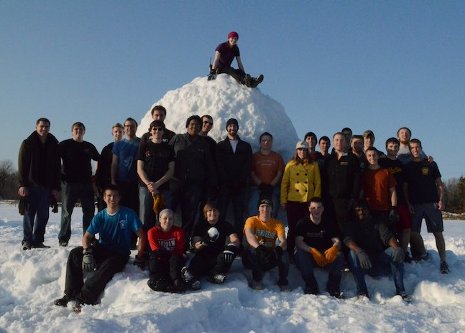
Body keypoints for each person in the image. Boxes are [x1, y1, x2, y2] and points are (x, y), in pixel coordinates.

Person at [53, 185, 146, 312]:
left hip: (119, 254)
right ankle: (70, 294)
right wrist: (87, 252)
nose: (112, 198)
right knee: (75, 254)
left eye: (115, 196)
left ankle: (84, 299)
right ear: (104, 198)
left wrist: (140, 256)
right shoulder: (100, 216)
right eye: (109, 196)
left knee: (108, 266)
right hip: (102, 249)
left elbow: (142, 235)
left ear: (119, 198)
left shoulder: (128, 214)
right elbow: (86, 237)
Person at [344, 200, 410, 301]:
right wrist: (359, 251)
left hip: (379, 260)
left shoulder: (377, 223)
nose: (361, 212)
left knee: (395, 251)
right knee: (352, 253)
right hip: (363, 264)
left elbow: (388, 237)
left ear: (368, 210)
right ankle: (362, 291)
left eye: (363, 210)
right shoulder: (351, 225)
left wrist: (397, 247)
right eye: (358, 210)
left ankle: (401, 291)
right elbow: (347, 240)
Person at [403, 139, 449, 273]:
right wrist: (408, 203)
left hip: (431, 204)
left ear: (421, 148)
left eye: (417, 147)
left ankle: (443, 261)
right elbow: (405, 188)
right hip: (415, 205)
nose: (415, 150)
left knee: (438, 233)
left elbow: (439, 184)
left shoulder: (430, 164)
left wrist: (441, 200)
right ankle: (418, 254)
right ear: (410, 150)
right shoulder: (407, 167)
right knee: (413, 232)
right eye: (412, 148)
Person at [169, 115, 217, 240]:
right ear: (186, 125)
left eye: (197, 125)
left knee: (189, 216)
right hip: (175, 183)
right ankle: (164, 240)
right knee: (168, 211)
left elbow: (209, 166)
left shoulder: (204, 143)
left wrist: (212, 185)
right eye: (192, 124)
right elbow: (166, 157)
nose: (194, 126)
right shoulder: (177, 139)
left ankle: (183, 244)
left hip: (194, 186)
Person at [18, 117, 61, 250]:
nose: (44, 129)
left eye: (46, 126)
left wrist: (55, 187)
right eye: (41, 126)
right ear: (36, 127)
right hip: (30, 185)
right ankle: (27, 240)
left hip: (46, 187)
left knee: (43, 216)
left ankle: (38, 241)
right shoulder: (28, 143)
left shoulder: (54, 144)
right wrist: (22, 184)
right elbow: (22, 165)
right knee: (29, 214)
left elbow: (57, 168)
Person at [58, 122, 100, 247]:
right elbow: (52, 159)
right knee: (66, 213)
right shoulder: (64, 145)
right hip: (69, 184)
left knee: (89, 212)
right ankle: (63, 238)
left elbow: (99, 159)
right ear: (72, 131)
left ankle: (88, 237)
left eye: (81, 129)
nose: (78, 131)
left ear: (84, 132)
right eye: (76, 129)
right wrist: (58, 176)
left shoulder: (88, 146)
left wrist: (96, 176)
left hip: (86, 184)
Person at [181, 202, 241, 289]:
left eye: (215, 210)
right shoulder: (200, 225)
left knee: (228, 254)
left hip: (218, 256)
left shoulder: (225, 224)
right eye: (209, 210)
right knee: (197, 261)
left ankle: (215, 275)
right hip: (203, 255)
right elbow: (195, 245)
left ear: (219, 212)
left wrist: (231, 246)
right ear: (205, 213)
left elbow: (235, 239)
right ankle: (192, 278)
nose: (212, 213)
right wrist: (205, 241)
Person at [294, 197, 344, 297]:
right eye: (313, 208)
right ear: (309, 209)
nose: (316, 210)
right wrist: (312, 250)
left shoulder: (329, 222)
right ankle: (311, 285)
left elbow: (337, 241)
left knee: (339, 256)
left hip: (325, 255)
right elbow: (298, 242)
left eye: (318, 207)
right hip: (309, 256)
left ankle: (333, 287)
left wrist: (334, 248)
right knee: (300, 253)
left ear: (323, 209)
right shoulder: (302, 223)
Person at [281, 141, 321, 258]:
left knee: (307, 228)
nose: (302, 152)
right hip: (293, 201)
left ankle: (306, 253)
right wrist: (283, 200)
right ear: (296, 151)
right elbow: (284, 183)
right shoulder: (290, 164)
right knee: (293, 228)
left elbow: (317, 183)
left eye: (304, 150)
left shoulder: (314, 165)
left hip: (308, 201)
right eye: (299, 149)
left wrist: (316, 201)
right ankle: (289, 253)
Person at [216, 118, 252, 237]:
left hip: (240, 186)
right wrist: (224, 180)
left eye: (234, 126)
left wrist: (241, 181)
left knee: (239, 215)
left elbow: (248, 165)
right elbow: (218, 165)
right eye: (230, 126)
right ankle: (219, 242)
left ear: (238, 128)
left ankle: (238, 245)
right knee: (221, 214)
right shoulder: (220, 146)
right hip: (224, 185)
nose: (232, 128)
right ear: (226, 128)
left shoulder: (245, 146)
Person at [137, 120, 175, 231]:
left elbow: (171, 170)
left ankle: (162, 243)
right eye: (154, 129)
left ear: (163, 132)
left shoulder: (168, 148)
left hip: (163, 187)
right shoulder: (144, 146)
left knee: (164, 217)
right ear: (150, 131)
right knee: (147, 217)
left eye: (159, 129)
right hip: (147, 187)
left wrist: (157, 184)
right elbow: (140, 168)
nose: (157, 131)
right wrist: (149, 184)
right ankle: (148, 245)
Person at [243, 199, 289, 291]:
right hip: (252, 256)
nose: (265, 209)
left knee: (285, 254)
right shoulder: (251, 220)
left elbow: (283, 241)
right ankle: (257, 280)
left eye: (268, 206)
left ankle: (283, 281)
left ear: (271, 209)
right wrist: (259, 248)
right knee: (252, 250)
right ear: (258, 209)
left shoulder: (277, 224)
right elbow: (249, 235)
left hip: (268, 256)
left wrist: (279, 249)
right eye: (262, 206)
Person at [322, 132, 360, 234]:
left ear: (346, 142)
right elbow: (324, 180)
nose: (339, 142)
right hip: (330, 200)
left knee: (345, 228)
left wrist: (353, 197)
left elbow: (357, 180)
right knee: (331, 226)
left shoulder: (352, 158)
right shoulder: (329, 160)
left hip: (346, 200)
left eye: (341, 140)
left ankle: (346, 249)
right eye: (337, 140)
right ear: (333, 142)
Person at [379, 137, 412, 256]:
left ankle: (403, 252)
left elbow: (405, 185)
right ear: (386, 148)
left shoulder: (401, 164)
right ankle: (390, 252)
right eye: (391, 146)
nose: (393, 149)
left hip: (401, 200)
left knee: (406, 227)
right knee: (389, 229)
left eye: (396, 147)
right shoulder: (381, 162)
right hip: (386, 202)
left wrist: (408, 202)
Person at [146, 209, 187, 293]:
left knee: (175, 258)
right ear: (160, 219)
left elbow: (178, 250)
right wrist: (165, 253)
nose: (168, 221)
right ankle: (158, 280)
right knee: (153, 256)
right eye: (165, 218)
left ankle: (176, 281)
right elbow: (155, 249)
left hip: (174, 261)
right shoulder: (152, 232)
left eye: (170, 219)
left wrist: (168, 254)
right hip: (160, 259)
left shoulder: (178, 231)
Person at [248, 132, 285, 217]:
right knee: (253, 208)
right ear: (260, 142)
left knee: (273, 208)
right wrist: (260, 184)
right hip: (257, 188)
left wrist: (271, 185)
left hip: (273, 188)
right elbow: (252, 172)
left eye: (269, 140)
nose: (266, 142)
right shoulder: (255, 156)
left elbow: (280, 172)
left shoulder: (277, 156)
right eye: (264, 140)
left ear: (272, 142)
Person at [361, 147, 398, 225]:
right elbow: (361, 192)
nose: (372, 157)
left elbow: (393, 191)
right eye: (369, 155)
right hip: (369, 210)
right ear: (366, 157)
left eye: (374, 155)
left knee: (386, 235)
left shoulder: (386, 172)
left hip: (385, 210)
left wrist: (393, 208)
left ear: (378, 156)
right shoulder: (364, 174)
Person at [95, 123, 123, 211]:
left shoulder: (127, 147)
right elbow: (100, 167)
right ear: (112, 133)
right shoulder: (107, 149)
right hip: (107, 183)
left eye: (120, 132)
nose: (118, 134)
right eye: (116, 132)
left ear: (123, 133)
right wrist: (98, 184)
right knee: (104, 208)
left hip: (123, 182)